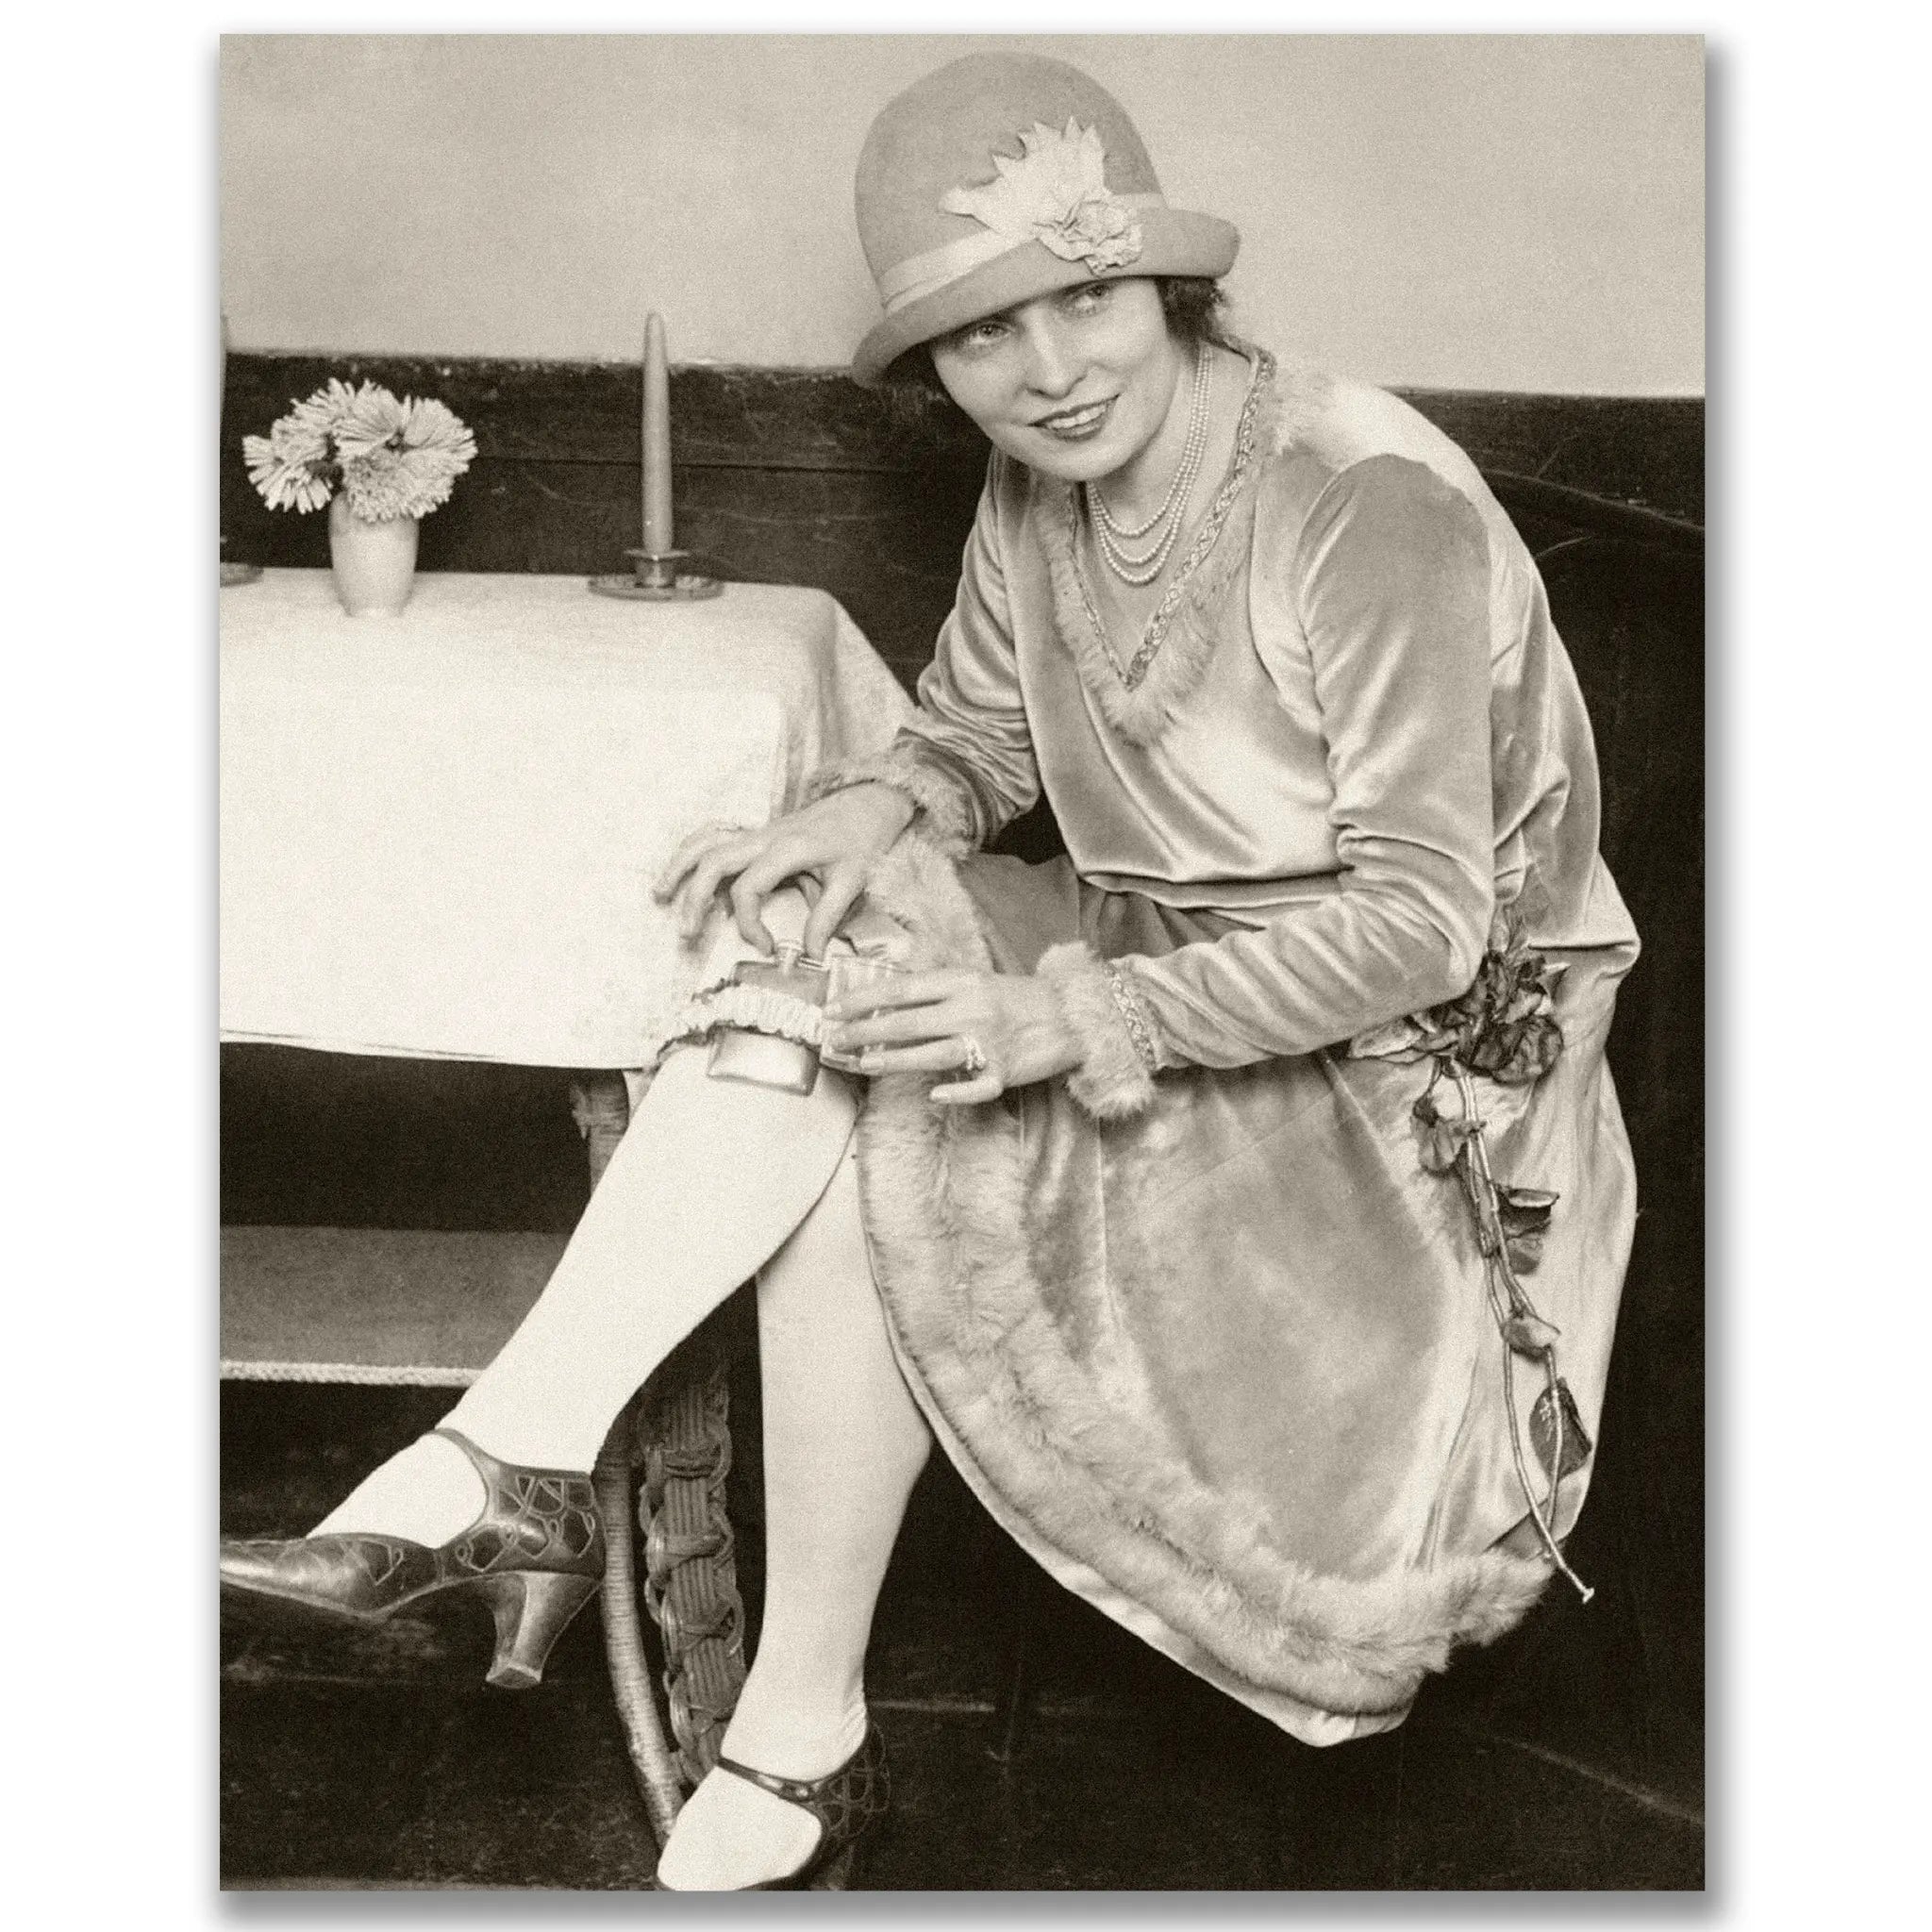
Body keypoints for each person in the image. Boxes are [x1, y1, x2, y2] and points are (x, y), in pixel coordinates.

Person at [221, 51, 1640, 1891]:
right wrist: (871, 806)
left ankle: (709, 1644)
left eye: (1084, 301)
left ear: (1174, 288)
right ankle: (578, 1516)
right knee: (826, 950)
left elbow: (1422, 930)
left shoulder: (1361, 503)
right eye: (983, 335)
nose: (1046, 370)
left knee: (882, 1083)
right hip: (1160, 960)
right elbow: (977, 738)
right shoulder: (1042, 482)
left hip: (1399, 1098)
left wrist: (1058, 1014)